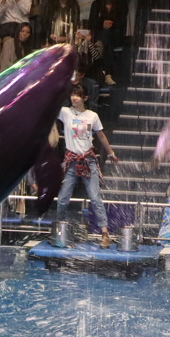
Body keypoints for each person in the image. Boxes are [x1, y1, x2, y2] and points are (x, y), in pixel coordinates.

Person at [55, 84, 118, 248]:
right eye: (72, 95)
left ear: (85, 98)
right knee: (62, 199)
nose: (74, 98)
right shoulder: (65, 112)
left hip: (88, 161)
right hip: (71, 162)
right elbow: (50, 104)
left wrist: (111, 153)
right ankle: (59, 230)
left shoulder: (92, 116)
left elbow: (101, 136)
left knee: (95, 198)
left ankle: (105, 234)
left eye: (77, 95)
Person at [88, 0, 126, 86]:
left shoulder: (120, 4)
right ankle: (108, 74)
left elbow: (123, 22)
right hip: (100, 35)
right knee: (106, 40)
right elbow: (91, 22)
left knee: (107, 35)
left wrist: (111, 23)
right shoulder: (96, 4)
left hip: (116, 34)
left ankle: (103, 73)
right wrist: (102, 22)